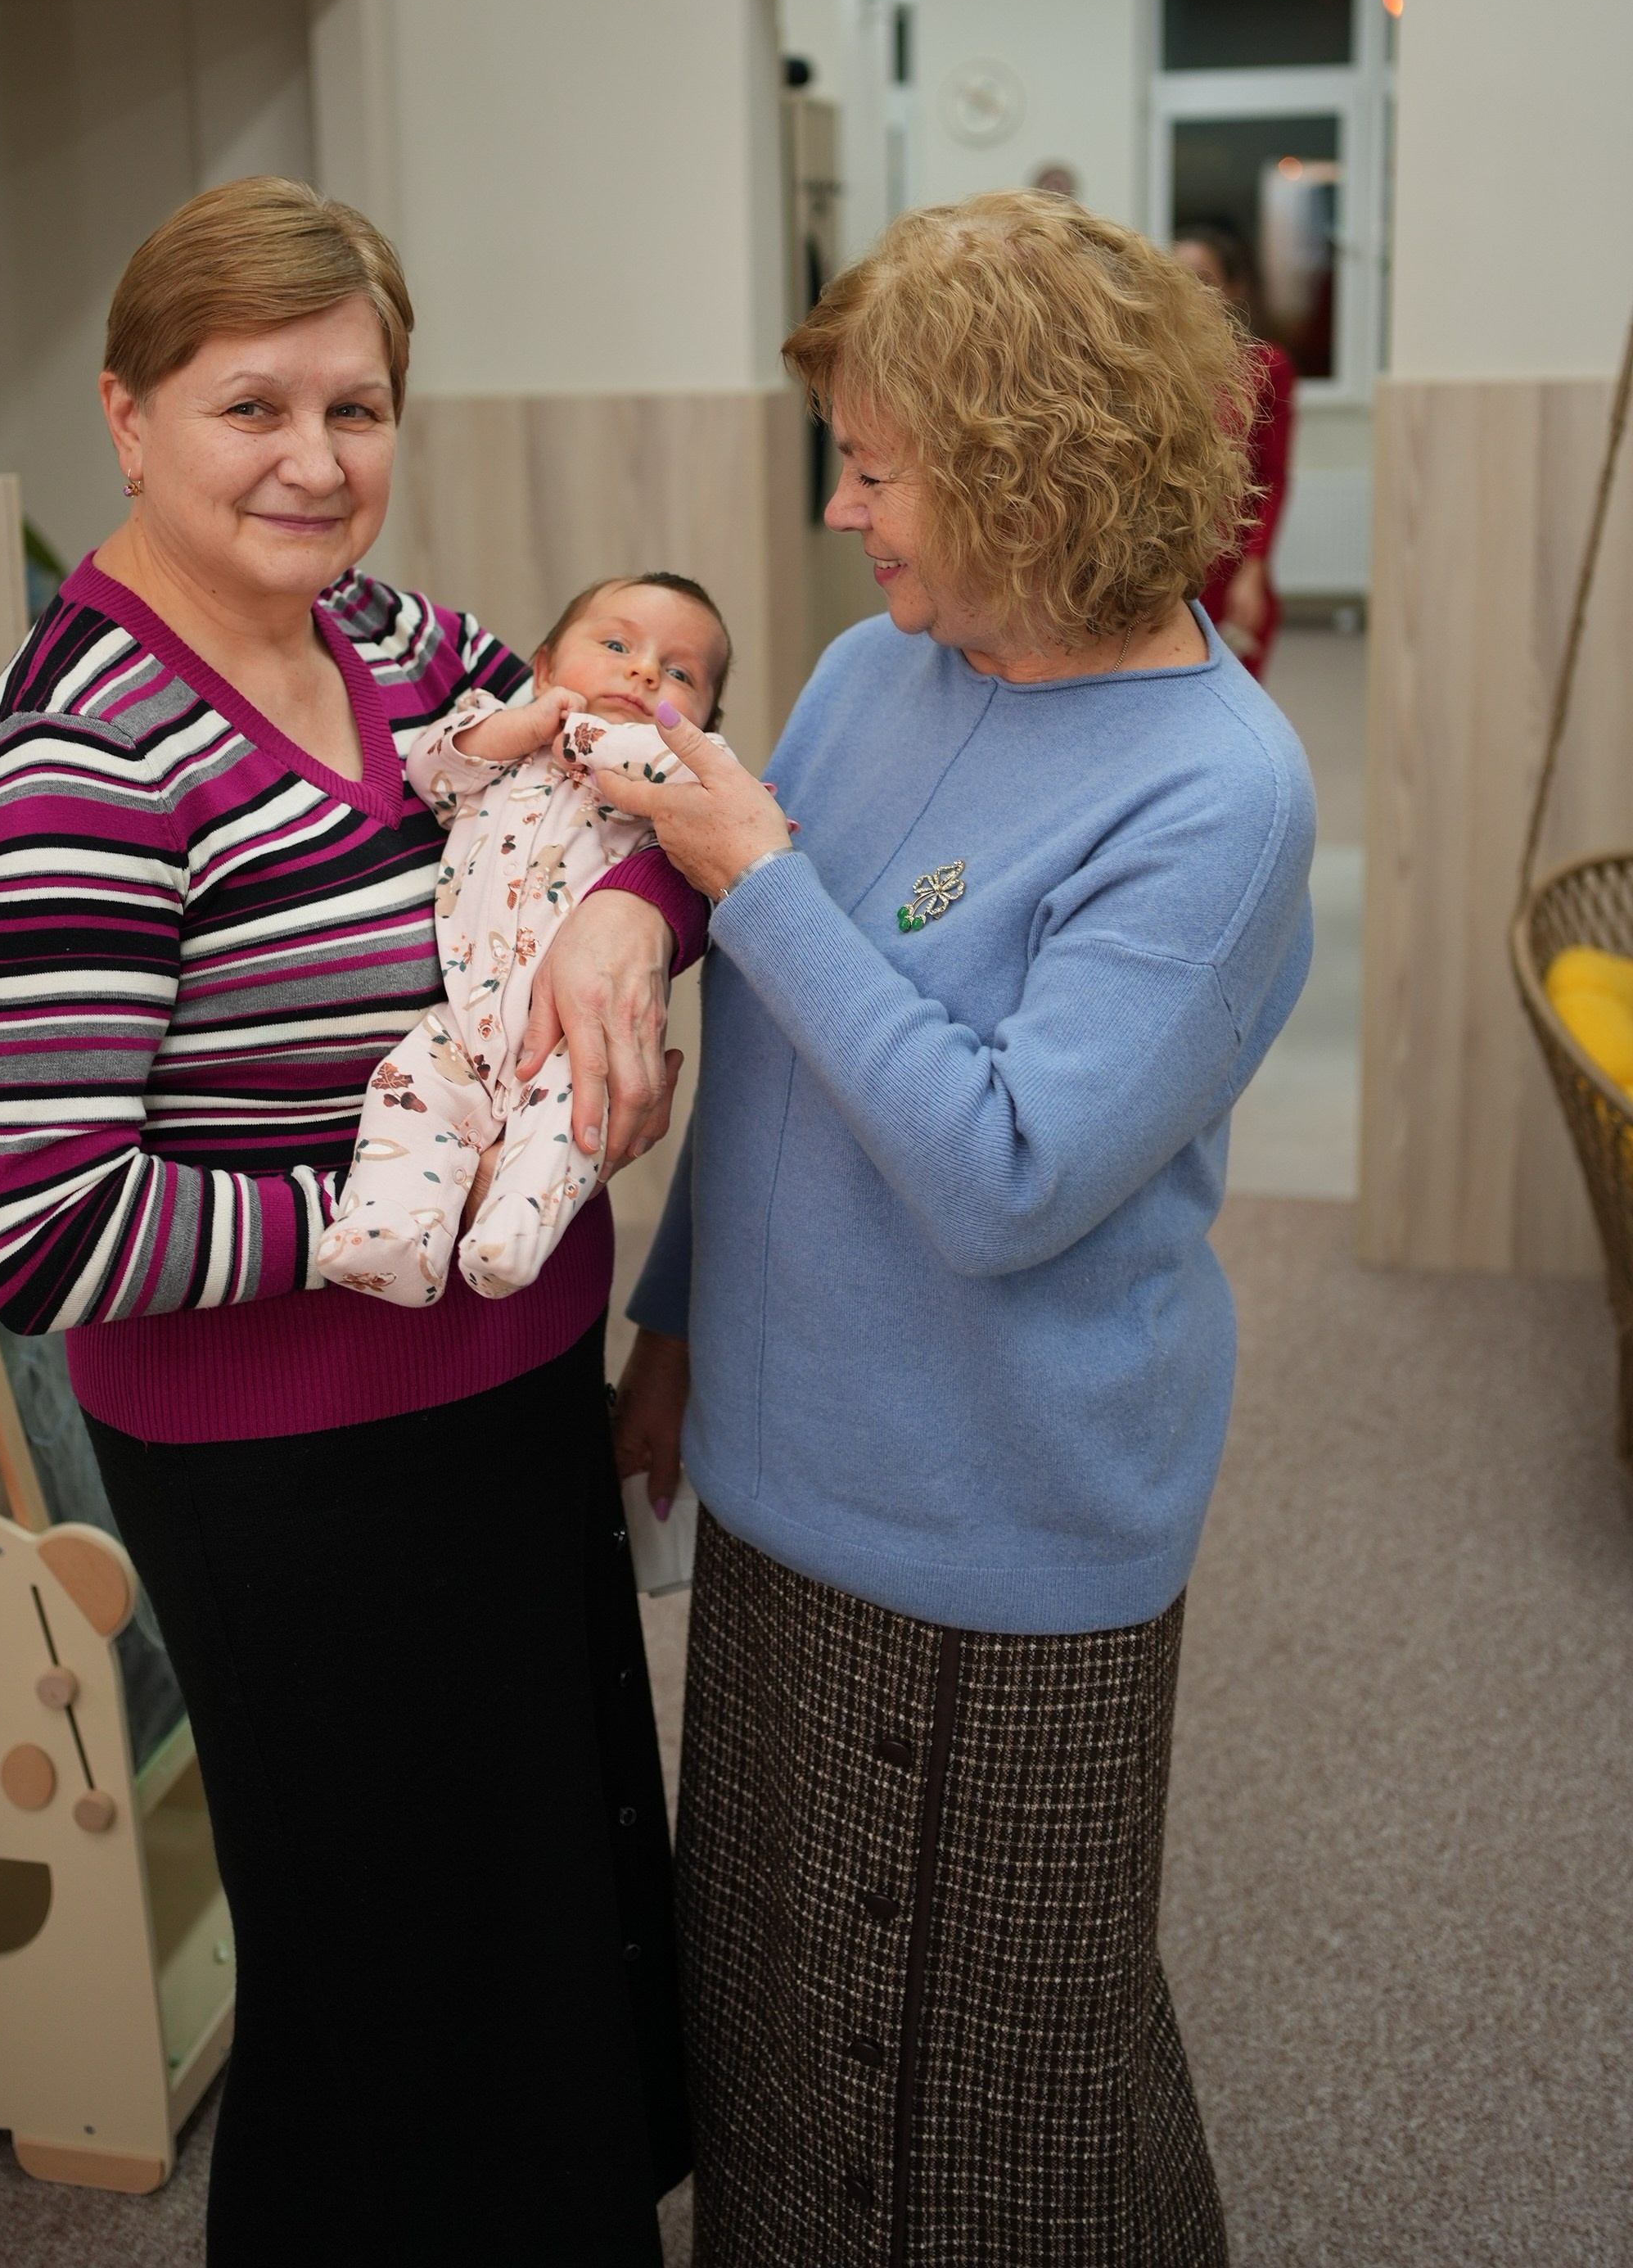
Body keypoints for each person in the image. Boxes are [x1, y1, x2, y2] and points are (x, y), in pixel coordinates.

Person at [0, 178, 697, 2266]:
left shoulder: (397, 642)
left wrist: (626, 925)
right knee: (382, 1984)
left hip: (508, 1399)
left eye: (355, 408)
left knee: (536, 1928)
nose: (314, 460)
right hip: (297, 1473)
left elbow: (620, 784)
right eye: (248, 405)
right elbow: (50, 1232)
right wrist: (389, 1204)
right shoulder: (76, 762)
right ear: (126, 416)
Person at [604, 189, 1315, 2266]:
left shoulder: (1215, 790)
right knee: (780, 2029)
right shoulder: (865, 672)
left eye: (877, 468)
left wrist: (755, 877)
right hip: (784, 1478)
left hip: (989, 1526)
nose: (840, 513)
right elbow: (775, 1057)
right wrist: (672, 1324)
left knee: (988, 2097)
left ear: (1024, 469)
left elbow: (1006, 1173)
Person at [318, 573, 731, 1305]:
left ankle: (515, 1232)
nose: (643, 672)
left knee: (570, 1126)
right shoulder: (498, 739)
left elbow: (720, 813)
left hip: (572, 1032)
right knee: (405, 1090)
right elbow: (431, 770)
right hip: (461, 1019)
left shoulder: (665, 775)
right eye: (616, 646)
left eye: (679, 673)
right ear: (542, 669)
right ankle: (390, 1233)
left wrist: (678, 762)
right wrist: (526, 725)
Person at [1173, 220, 1297, 682]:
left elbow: (1271, 478)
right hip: (1170, 566)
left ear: (1232, 288)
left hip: (1233, 563)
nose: (1188, 291)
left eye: (1202, 279)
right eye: (1177, 278)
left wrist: (1254, 570)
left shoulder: (1265, 367)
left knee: (1231, 697)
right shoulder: (1158, 368)